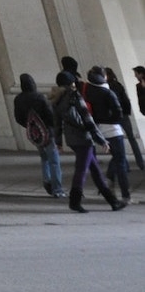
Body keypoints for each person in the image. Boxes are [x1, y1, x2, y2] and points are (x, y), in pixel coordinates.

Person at [53, 71, 125, 212]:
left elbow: (57, 123)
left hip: (71, 139)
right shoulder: (74, 96)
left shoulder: (57, 99)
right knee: (81, 170)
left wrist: (59, 142)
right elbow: (88, 119)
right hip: (83, 138)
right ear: (71, 83)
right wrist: (101, 140)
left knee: (95, 170)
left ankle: (113, 202)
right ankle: (74, 201)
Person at [84, 66, 130, 204]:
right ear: (103, 77)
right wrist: (112, 120)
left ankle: (109, 180)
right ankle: (125, 195)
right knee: (121, 161)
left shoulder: (89, 92)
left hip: (100, 130)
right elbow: (118, 113)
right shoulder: (107, 92)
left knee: (116, 157)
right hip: (113, 130)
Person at [13, 72, 63, 198]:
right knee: (54, 161)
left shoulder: (18, 99)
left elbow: (18, 118)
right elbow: (50, 115)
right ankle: (57, 189)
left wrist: (31, 125)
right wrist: (51, 127)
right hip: (47, 131)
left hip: (35, 133)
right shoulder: (39, 97)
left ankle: (47, 180)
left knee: (44, 158)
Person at [104, 68, 144, 170]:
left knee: (117, 141)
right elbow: (125, 100)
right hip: (123, 114)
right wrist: (126, 112)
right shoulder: (118, 85)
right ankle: (141, 163)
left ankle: (125, 165)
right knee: (132, 139)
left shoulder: (106, 87)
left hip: (113, 116)